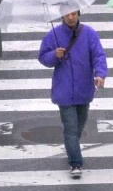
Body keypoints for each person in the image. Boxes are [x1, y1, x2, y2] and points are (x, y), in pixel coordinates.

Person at [38, 10, 107, 178]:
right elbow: (43, 57)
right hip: (64, 89)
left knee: (78, 127)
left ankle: (71, 148)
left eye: (74, 14)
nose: (71, 17)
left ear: (78, 14)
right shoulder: (53, 35)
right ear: (62, 16)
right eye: (68, 14)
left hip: (84, 89)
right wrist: (55, 55)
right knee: (70, 128)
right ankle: (76, 163)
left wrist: (100, 74)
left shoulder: (89, 34)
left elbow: (99, 55)